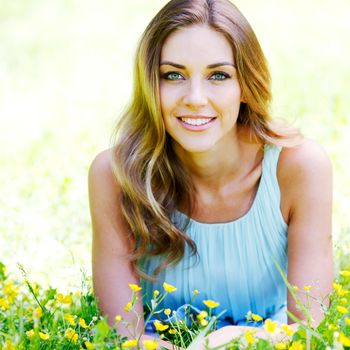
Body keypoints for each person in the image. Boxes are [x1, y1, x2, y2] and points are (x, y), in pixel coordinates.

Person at [88, 0, 333, 348]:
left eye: (219, 75)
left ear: (245, 85)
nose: (195, 98)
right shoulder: (115, 177)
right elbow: (122, 336)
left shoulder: (299, 167)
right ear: (149, 85)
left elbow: (309, 329)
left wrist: (239, 339)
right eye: (173, 75)